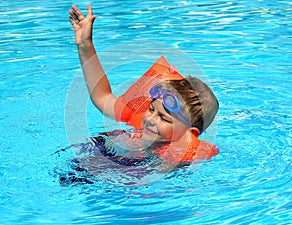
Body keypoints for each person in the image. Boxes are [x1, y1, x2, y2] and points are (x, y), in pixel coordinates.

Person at [68, 4, 219, 166]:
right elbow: (102, 97)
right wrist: (85, 45)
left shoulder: (176, 157)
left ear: (189, 134)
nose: (150, 120)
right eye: (152, 109)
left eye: (164, 118)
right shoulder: (144, 127)